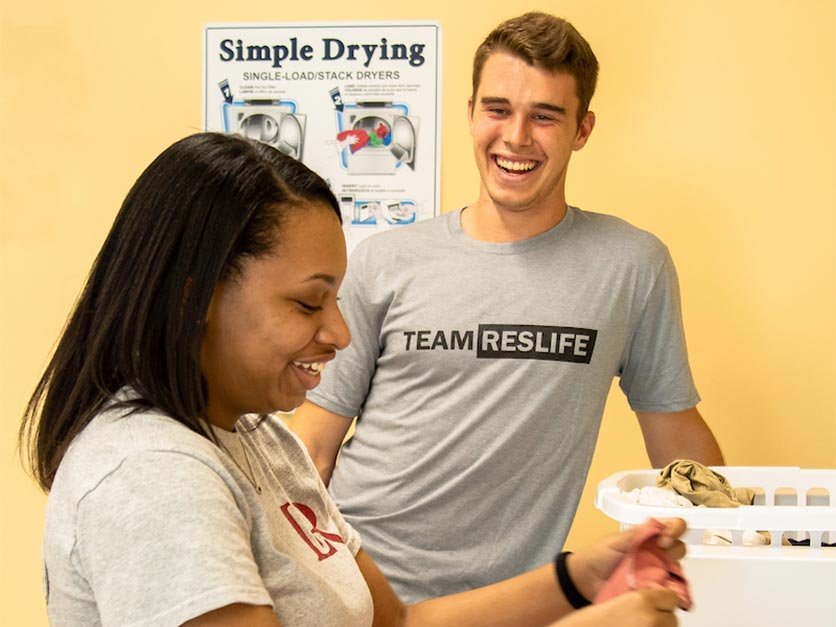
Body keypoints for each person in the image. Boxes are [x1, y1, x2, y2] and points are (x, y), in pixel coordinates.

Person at [20, 131, 688, 626]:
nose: (340, 334)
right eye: (309, 302)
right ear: (197, 298)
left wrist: (579, 578)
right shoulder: (151, 474)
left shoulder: (260, 439)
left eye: (337, 299)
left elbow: (397, 624)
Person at [289, 11, 725, 604]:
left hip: (512, 603)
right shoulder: (385, 260)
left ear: (582, 129)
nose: (516, 136)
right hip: (356, 587)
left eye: (545, 116)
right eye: (498, 109)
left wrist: (735, 541)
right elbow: (313, 445)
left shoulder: (632, 265)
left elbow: (674, 433)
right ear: (471, 112)